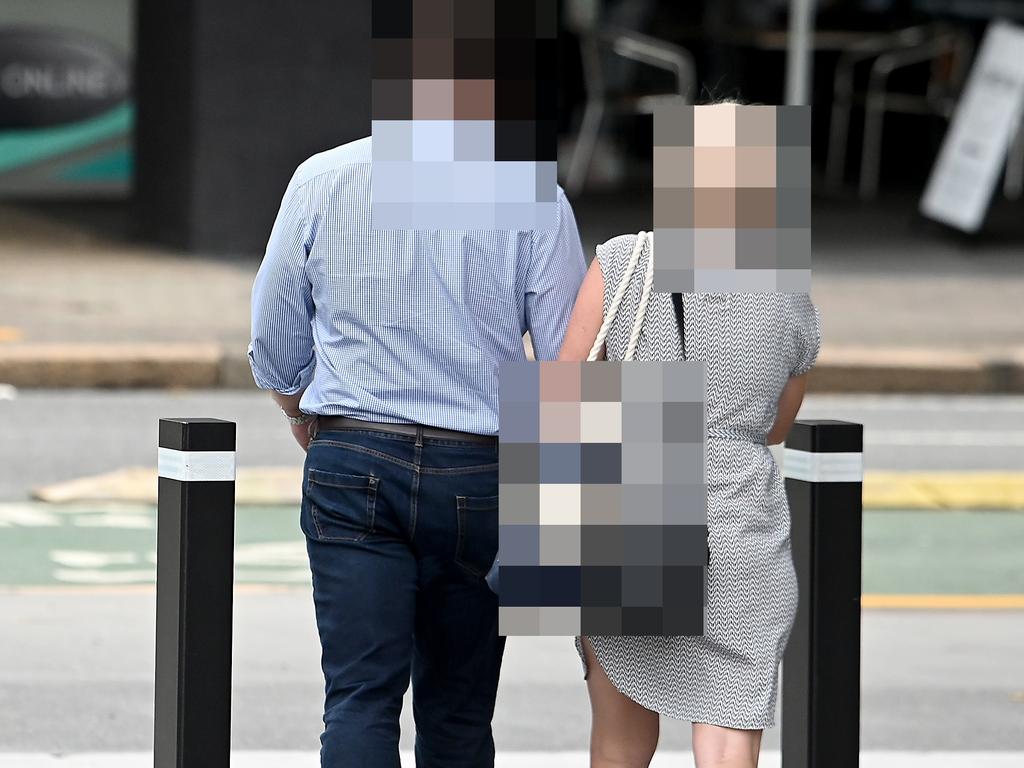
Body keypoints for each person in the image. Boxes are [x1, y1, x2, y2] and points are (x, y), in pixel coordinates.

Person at [247, 135, 587, 768]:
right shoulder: (531, 194)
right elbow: (569, 355)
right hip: (482, 467)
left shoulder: (324, 176)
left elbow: (274, 324)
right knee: (459, 709)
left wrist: (300, 408)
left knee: (358, 698)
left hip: (353, 453)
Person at [557, 234, 822, 766]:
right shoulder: (784, 284)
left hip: (631, 514)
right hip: (743, 526)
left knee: (620, 738)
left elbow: (566, 400)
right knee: (728, 742)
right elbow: (778, 425)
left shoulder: (623, 262)